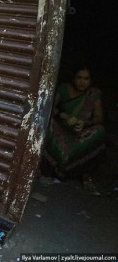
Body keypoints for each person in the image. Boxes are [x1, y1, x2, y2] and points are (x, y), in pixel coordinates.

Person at [43, 64, 105, 192]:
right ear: (74, 78)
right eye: (79, 77)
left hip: (79, 132)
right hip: (60, 129)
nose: (82, 81)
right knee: (46, 124)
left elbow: (99, 118)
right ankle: (48, 169)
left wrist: (84, 122)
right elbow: (48, 107)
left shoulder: (93, 94)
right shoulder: (64, 89)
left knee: (100, 131)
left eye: (86, 78)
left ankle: (84, 174)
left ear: (90, 80)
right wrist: (63, 115)